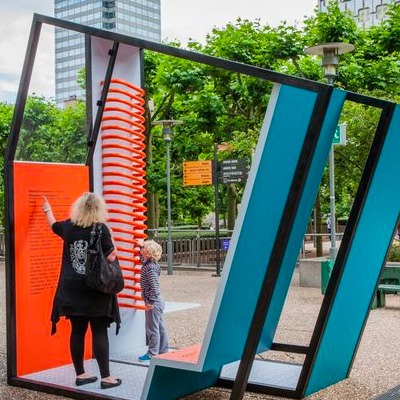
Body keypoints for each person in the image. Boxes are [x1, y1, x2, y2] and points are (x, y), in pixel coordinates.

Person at [43, 192, 122, 389]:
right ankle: (106, 378)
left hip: (72, 289)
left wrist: (47, 210)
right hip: (96, 289)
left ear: (78, 208)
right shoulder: (101, 228)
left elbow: (53, 225)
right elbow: (111, 256)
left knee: (77, 331)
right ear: (99, 209)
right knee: (99, 331)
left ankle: (81, 375)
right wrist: (112, 239)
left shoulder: (68, 227)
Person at [138, 240, 169, 361]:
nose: (141, 249)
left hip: (154, 302)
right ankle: (163, 351)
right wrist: (140, 245)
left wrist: (150, 302)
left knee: (152, 328)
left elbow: (154, 287)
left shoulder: (150, 268)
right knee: (159, 326)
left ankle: (152, 353)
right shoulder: (150, 263)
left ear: (147, 252)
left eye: (143, 248)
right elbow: (141, 259)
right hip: (158, 301)